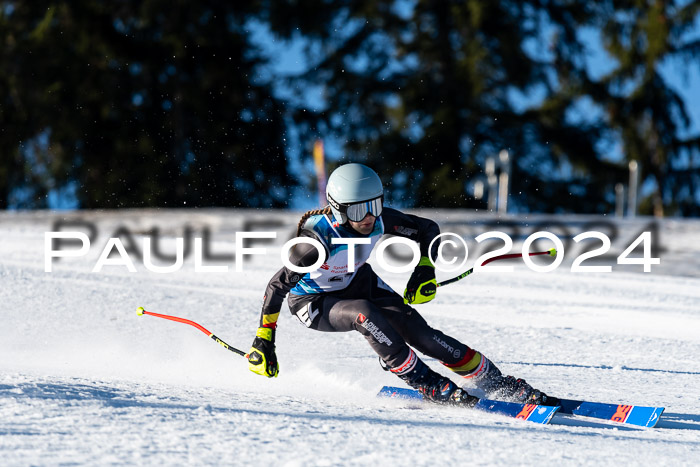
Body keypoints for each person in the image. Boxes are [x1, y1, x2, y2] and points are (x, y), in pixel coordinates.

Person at [247, 163, 557, 406]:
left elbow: (427, 229)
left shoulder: (379, 220)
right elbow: (276, 287)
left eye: (375, 205)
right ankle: (427, 382)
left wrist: (425, 268)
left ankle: (494, 381)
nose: (369, 217)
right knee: (364, 314)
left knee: (423, 335)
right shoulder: (317, 240)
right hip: (314, 302)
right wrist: (264, 340)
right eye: (358, 210)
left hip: (357, 282)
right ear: (339, 208)